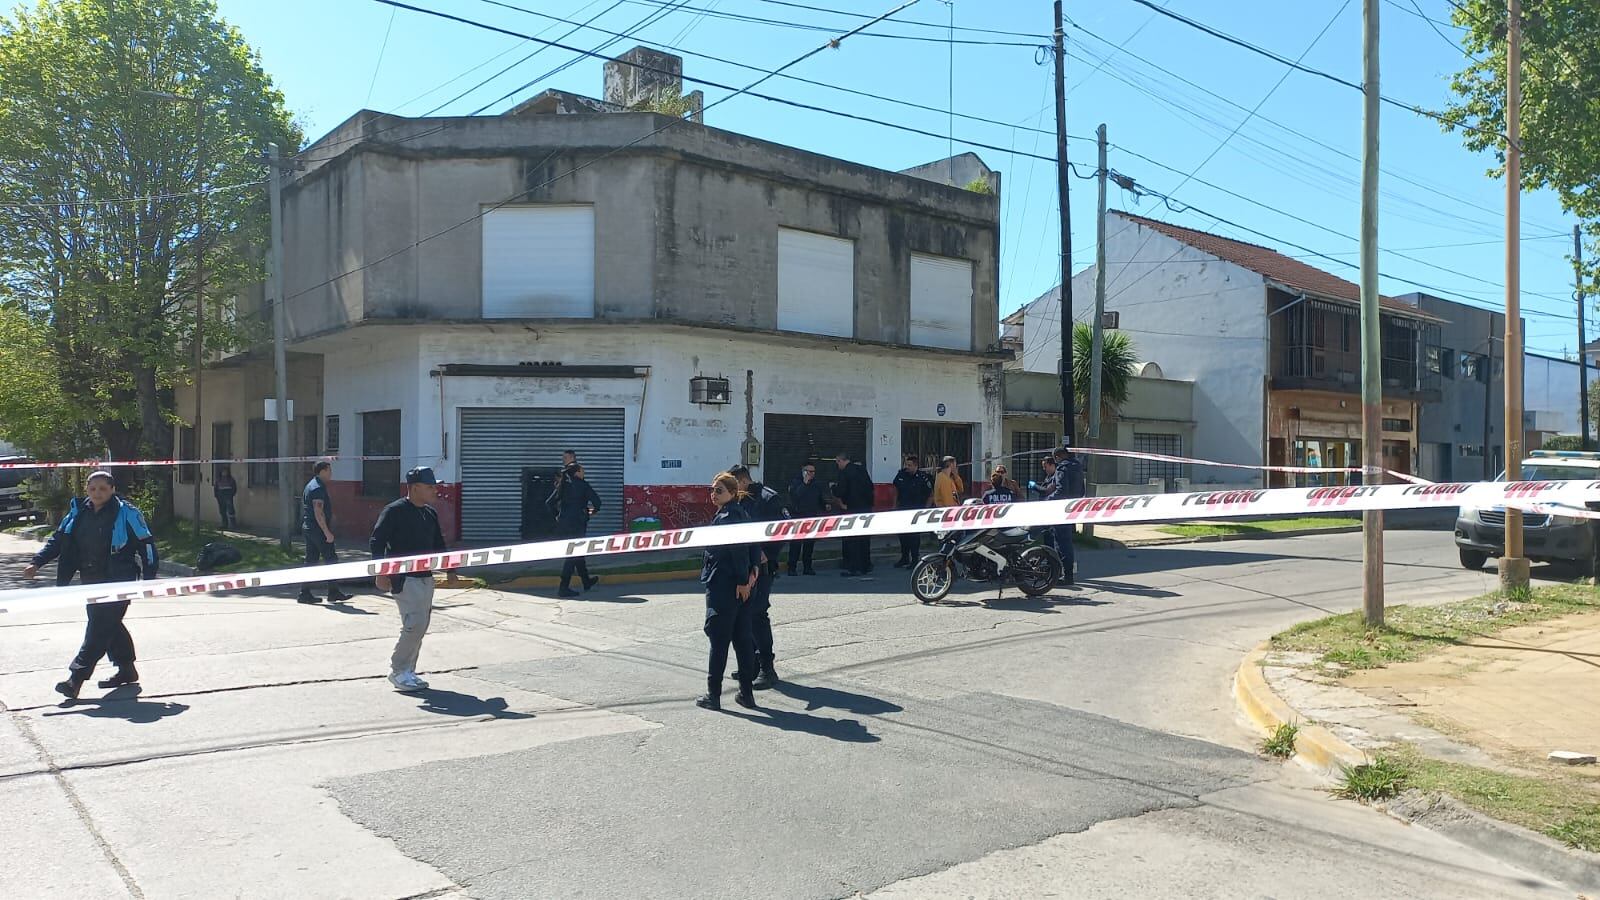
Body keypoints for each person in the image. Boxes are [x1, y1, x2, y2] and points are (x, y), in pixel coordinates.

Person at [22, 471, 158, 699]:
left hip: (118, 580)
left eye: (103, 488)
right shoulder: (78, 512)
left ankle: (75, 678)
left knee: (99, 626)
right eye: (93, 488)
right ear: (86, 489)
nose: (97, 493)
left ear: (112, 489)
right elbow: (58, 540)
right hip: (90, 581)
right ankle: (127, 669)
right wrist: (36, 563)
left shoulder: (127, 513)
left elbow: (147, 545)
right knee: (108, 624)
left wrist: (149, 578)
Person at [371, 466, 448, 693]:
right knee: (414, 624)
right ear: (414, 488)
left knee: (421, 625)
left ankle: (409, 671)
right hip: (404, 578)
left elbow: (439, 544)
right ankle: (398, 670)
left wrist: (451, 569)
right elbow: (377, 541)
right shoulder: (394, 511)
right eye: (430, 486)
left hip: (426, 578)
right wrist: (381, 572)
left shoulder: (429, 513)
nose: (435, 490)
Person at [698, 472, 760, 711]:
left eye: (719, 490)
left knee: (719, 640)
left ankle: (713, 696)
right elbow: (754, 546)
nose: (713, 494)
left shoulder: (729, 517)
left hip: (726, 586)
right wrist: (752, 575)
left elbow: (738, 550)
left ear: (733, 493)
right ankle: (746, 694)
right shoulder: (741, 513)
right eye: (712, 490)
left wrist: (745, 580)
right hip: (740, 586)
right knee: (743, 641)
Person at [730, 464, 786, 689]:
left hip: (762, 568)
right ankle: (751, 663)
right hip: (743, 566)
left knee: (758, 614)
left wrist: (767, 553)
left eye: (733, 485)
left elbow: (785, 529)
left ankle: (767, 668)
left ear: (742, 480)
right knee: (744, 615)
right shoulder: (739, 500)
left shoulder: (768, 498)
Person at [298, 461, 350, 604]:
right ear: (322, 471)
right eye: (329, 470)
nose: (331, 473)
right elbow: (318, 512)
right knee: (331, 559)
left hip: (309, 528)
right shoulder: (317, 488)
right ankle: (333, 592)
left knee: (311, 561)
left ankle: (305, 593)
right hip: (318, 530)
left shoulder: (312, 485)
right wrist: (327, 532)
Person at [547, 463, 602, 598]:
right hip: (578, 525)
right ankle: (563, 587)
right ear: (577, 472)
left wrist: (557, 516)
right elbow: (597, 502)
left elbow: (549, 502)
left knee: (578, 552)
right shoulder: (583, 485)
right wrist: (592, 512)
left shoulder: (563, 485)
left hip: (564, 525)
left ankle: (586, 581)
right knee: (573, 555)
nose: (584, 473)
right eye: (582, 471)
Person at [831, 451, 875, 576]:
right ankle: (866, 565)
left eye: (837, 462)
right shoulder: (861, 470)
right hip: (866, 509)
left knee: (853, 539)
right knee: (865, 538)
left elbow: (840, 491)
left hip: (852, 509)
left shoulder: (844, 473)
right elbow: (870, 487)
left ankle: (854, 567)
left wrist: (833, 488)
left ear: (841, 461)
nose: (837, 465)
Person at [1047, 447, 1087, 586]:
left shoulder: (1062, 469)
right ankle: (1068, 574)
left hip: (1061, 510)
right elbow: (1082, 490)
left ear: (1058, 457)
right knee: (1067, 542)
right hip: (1073, 508)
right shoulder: (1078, 467)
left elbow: (1060, 491)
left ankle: (1064, 575)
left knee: (1061, 543)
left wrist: (1047, 501)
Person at [891, 454, 933, 567]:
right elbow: (896, 489)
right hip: (902, 510)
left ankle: (915, 560)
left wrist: (926, 510)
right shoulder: (901, 475)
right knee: (902, 536)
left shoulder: (923, 477)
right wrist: (894, 506)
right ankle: (904, 558)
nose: (907, 467)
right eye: (906, 464)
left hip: (916, 512)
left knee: (914, 537)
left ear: (916, 466)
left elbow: (930, 495)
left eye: (909, 465)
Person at [786, 463, 827, 575]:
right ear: (803, 471)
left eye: (813, 472)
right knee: (796, 544)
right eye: (809, 471)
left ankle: (807, 567)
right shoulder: (796, 482)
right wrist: (804, 483)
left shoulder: (816, 484)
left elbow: (819, 498)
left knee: (809, 544)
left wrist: (825, 506)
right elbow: (795, 496)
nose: (812, 474)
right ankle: (792, 567)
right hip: (798, 516)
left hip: (811, 516)